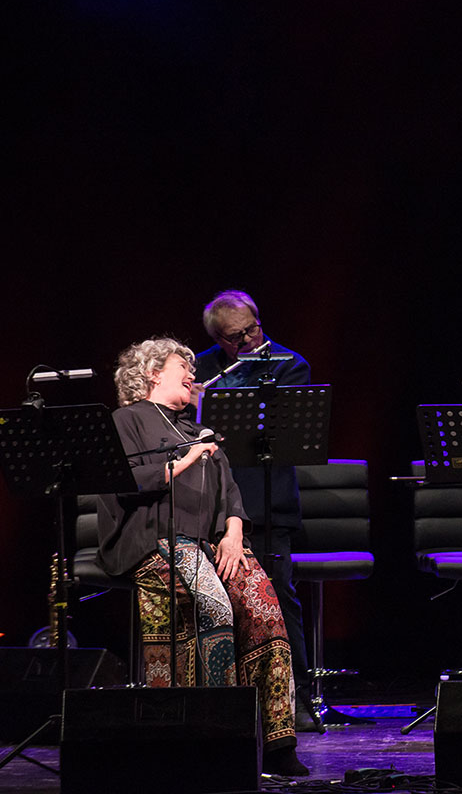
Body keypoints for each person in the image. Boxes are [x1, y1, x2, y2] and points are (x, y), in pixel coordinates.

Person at [95, 337, 308, 777]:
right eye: (181, 366)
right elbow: (131, 481)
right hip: (152, 540)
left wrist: (234, 533)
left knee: (264, 605)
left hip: (209, 545)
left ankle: (276, 742)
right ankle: (218, 736)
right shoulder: (126, 420)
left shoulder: (197, 430)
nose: (193, 374)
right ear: (153, 373)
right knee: (211, 603)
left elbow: (230, 494)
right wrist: (191, 457)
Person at [191, 290, 322, 731]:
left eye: (253, 329)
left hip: (268, 503)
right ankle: (232, 701)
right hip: (215, 506)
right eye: (235, 337)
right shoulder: (201, 366)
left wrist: (208, 400)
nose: (249, 340)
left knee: (280, 602)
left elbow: (274, 422)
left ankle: (296, 699)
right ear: (219, 339)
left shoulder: (289, 363)